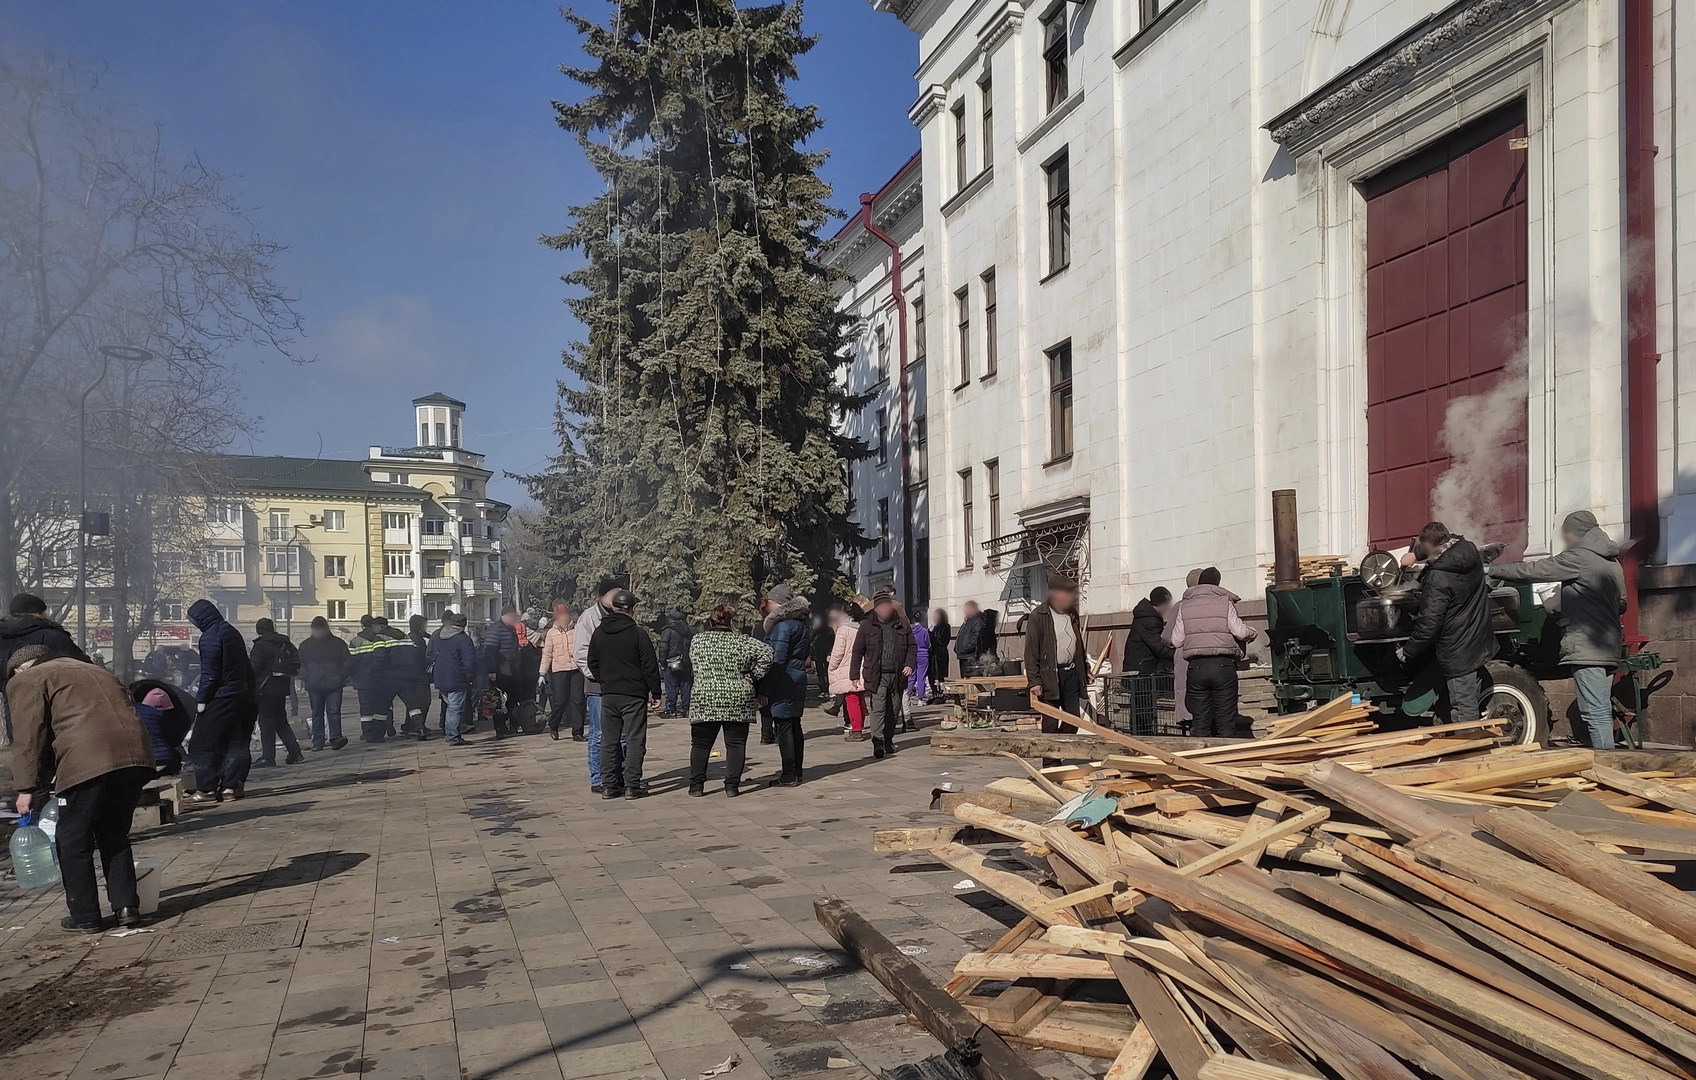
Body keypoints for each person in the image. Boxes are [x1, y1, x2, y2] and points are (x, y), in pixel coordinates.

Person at [8, 645, 156, 932]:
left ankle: (85, 915)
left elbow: (28, 738)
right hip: (135, 756)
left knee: (73, 839)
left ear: (21, 667)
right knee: (113, 833)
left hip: (90, 758)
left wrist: (25, 788)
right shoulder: (95, 669)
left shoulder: (29, 678)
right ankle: (127, 908)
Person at [1488, 511, 1628, 747]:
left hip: (1587, 645)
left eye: (1566, 535)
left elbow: (1535, 571)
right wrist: (1581, 603)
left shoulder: (1579, 557)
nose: (1566, 540)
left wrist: (1492, 570)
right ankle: (1608, 759)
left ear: (1575, 533)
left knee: (1593, 712)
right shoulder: (1612, 562)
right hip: (1610, 644)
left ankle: (1606, 764)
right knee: (1601, 709)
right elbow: (1621, 603)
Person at [1396, 522, 1498, 725]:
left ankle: (1468, 750)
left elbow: (1429, 623)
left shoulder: (1438, 575)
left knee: (1463, 707)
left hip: (1457, 648)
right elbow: (1438, 550)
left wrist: (1408, 651)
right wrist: (1416, 555)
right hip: (1477, 636)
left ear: (1428, 544)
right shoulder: (1469, 551)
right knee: (1469, 698)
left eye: (1422, 546)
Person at [686, 604, 774, 797]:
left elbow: (693, 662)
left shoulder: (698, 640)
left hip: (705, 696)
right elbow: (768, 654)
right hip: (737, 696)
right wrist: (752, 675)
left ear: (710, 621)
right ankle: (732, 786)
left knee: (700, 744)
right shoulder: (742, 641)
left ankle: (696, 786)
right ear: (731, 621)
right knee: (735, 743)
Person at [587, 589, 661, 800]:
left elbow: (591, 661)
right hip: (634, 695)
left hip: (609, 694)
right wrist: (655, 692)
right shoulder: (637, 634)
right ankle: (631, 785)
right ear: (631, 610)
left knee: (608, 741)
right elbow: (650, 666)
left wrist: (605, 680)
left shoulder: (599, 632)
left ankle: (609, 785)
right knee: (635, 739)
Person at [1170, 568, 1257, 737]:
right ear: (1217, 584)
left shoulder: (1185, 605)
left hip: (1196, 667)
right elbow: (1240, 632)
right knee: (1225, 721)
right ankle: (1224, 758)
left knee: (1200, 722)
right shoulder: (1225, 602)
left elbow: (1176, 641)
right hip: (1223, 666)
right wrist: (1252, 633)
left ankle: (1200, 758)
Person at [184, 599, 256, 801]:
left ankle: (206, 789)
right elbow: (245, 665)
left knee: (201, 744)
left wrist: (202, 699)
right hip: (239, 695)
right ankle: (230, 787)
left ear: (201, 618)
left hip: (221, 696)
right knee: (234, 741)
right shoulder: (231, 632)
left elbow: (209, 673)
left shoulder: (210, 637)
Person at [0, 593, 89, 735]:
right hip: (52, 707)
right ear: (38, 613)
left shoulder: (2, 637)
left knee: (23, 751)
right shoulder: (53, 636)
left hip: (13, 707)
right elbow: (84, 668)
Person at [757, 584, 813, 783]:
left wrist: (765, 689)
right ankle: (796, 770)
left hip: (784, 679)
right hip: (796, 676)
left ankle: (789, 773)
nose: (768, 605)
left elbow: (777, 659)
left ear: (778, 603)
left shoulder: (782, 625)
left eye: (770, 601)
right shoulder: (800, 623)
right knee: (793, 724)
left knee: (784, 726)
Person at [851, 591, 915, 761]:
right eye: (882, 606)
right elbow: (858, 651)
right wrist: (854, 674)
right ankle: (877, 741)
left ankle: (888, 739)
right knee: (878, 708)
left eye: (888, 606)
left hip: (898, 674)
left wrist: (909, 664)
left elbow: (912, 646)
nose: (885, 609)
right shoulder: (867, 625)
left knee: (893, 711)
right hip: (876, 675)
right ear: (877, 608)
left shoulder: (902, 623)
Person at [575, 577, 622, 791]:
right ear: (604, 595)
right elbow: (581, 654)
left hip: (621, 686)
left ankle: (619, 776)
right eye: (615, 593)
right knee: (599, 732)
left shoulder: (623, 614)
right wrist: (599, 676)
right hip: (598, 687)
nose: (619, 597)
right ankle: (598, 778)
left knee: (621, 734)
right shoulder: (589, 618)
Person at [1024, 575, 1087, 734]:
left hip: (1071, 674)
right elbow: (1031, 651)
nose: (1073, 596)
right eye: (1069, 593)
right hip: (1050, 676)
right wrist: (1034, 681)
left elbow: (1078, 645)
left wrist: (1085, 670)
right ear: (1056, 594)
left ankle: (1061, 749)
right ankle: (1051, 758)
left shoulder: (1072, 614)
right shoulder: (1039, 616)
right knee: (1051, 722)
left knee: (1073, 720)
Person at [249, 618, 304, 767]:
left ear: (259, 630)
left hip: (265, 689)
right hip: (281, 688)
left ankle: (268, 757)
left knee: (266, 723)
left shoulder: (260, 646)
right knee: (281, 721)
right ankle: (295, 752)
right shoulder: (284, 642)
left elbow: (254, 669)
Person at [297, 617, 351, 751]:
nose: (318, 633)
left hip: (334, 683)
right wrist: (306, 677)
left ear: (326, 629)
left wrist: (341, 675)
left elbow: (347, 661)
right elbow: (300, 664)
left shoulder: (338, 644)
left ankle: (336, 738)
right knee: (317, 713)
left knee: (334, 712)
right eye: (316, 630)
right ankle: (318, 741)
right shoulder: (305, 646)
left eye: (320, 630)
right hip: (315, 685)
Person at [350, 615, 401, 743]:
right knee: (383, 705)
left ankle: (367, 733)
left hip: (363, 679)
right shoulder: (381, 636)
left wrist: (352, 677)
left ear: (362, 625)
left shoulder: (356, 641)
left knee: (366, 708)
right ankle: (387, 726)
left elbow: (351, 662)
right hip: (382, 677)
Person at [429, 611, 477, 745]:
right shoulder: (463, 639)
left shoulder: (438, 636)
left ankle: (450, 733)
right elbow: (469, 661)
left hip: (440, 677)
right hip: (457, 678)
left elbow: (432, 655)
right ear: (463, 625)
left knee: (450, 707)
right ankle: (453, 737)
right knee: (455, 709)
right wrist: (469, 677)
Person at [1166, 569, 1205, 726]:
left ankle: (1190, 724)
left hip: (1183, 653)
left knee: (1186, 691)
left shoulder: (1180, 606)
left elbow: (1167, 636)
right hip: (1210, 655)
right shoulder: (1219, 602)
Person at [540, 602, 581, 740]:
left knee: (578, 700)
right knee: (560, 700)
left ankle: (577, 732)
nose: (563, 618)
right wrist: (542, 673)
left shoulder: (577, 629)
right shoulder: (552, 632)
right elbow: (547, 654)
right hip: (559, 670)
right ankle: (554, 724)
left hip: (576, 669)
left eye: (565, 615)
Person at [827, 602, 866, 740]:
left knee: (851, 698)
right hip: (860, 666)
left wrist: (831, 665)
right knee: (859, 697)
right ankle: (859, 726)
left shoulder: (844, 629)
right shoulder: (861, 627)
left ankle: (856, 729)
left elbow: (838, 652)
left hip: (845, 667)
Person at [396, 614, 434, 739]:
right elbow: (421, 657)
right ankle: (415, 726)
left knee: (415, 703)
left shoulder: (413, 637)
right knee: (423, 701)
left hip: (415, 676)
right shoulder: (415, 639)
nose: (426, 627)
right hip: (419, 676)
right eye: (424, 624)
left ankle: (410, 726)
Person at [132, 687, 185, 774]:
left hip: (141, 763)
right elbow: (174, 740)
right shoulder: (159, 715)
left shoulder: (129, 713)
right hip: (163, 760)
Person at [1124, 587, 1175, 676]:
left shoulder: (1148, 616)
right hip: (1141, 669)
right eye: (1168, 604)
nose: (1170, 607)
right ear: (1163, 605)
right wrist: (1176, 655)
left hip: (1140, 665)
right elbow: (1159, 646)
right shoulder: (1149, 621)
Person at [658, 608, 694, 718]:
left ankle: (671, 710)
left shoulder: (668, 631)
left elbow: (663, 648)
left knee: (671, 686)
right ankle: (686, 709)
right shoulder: (690, 631)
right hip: (686, 662)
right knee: (685, 686)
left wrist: (662, 662)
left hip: (671, 661)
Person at [904, 606, 930, 733]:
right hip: (923, 655)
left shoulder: (908, 630)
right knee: (921, 676)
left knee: (911, 676)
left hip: (911, 654)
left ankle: (907, 696)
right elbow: (927, 643)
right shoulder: (924, 631)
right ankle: (920, 698)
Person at [928, 609, 953, 696]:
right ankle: (934, 692)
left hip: (940, 653)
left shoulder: (945, 626)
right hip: (933, 653)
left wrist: (932, 635)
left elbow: (942, 640)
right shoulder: (934, 626)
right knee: (931, 673)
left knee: (939, 674)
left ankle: (941, 693)